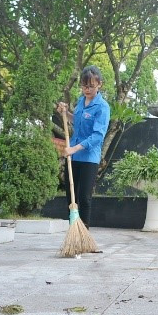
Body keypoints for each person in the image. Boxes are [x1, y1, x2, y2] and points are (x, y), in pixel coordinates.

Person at [56, 65, 111, 229]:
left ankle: (84, 233)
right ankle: (73, 232)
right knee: (71, 198)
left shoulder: (102, 107)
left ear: (99, 84)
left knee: (84, 197)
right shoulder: (81, 101)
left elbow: (97, 136)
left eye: (91, 86)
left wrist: (75, 148)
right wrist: (65, 113)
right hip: (73, 156)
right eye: (84, 86)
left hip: (88, 158)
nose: (87, 89)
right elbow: (77, 121)